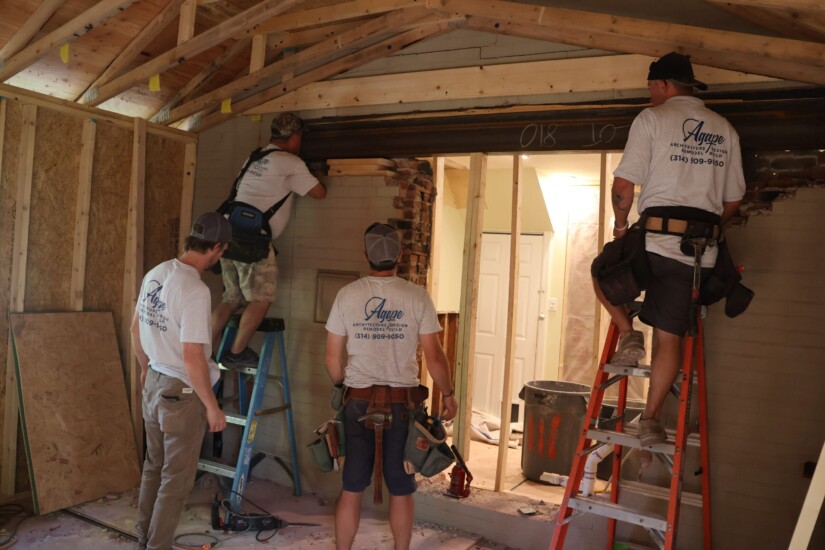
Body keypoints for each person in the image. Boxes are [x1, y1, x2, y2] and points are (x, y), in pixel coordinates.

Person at [592, 52, 745, 445]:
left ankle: (629, 334)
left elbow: (623, 187)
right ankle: (651, 420)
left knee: (602, 270)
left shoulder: (652, 119)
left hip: (653, 242)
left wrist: (621, 228)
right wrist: (706, 230)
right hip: (699, 256)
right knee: (670, 336)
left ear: (662, 85)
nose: (650, 95)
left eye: (651, 87)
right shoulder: (725, 129)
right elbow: (732, 201)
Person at [324, 223, 458, 550]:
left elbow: (331, 357)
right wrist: (449, 394)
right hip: (402, 408)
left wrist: (345, 390)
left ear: (365, 254)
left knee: (352, 486)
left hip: (357, 404)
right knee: (401, 488)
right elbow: (435, 356)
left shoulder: (347, 295)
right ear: (399, 255)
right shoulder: (416, 297)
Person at [131, 211, 230, 550]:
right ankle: (156, 546)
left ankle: (142, 539)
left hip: (155, 382)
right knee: (175, 479)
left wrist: (145, 368)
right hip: (180, 393)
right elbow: (192, 356)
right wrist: (212, 406)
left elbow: (135, 329)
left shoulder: (157, 272)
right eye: (222, 251)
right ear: (216, 248)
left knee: (153, 468)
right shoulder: (195, 290)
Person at [212, 112, 327, 368]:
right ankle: (235, 353)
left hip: (228, 235)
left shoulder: (255, 157)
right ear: (295, 137)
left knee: (231, 299)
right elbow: (320, 193)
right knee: (261, 299)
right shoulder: (291, 162)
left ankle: (203, 350)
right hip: (253, 241)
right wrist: (314, 173)